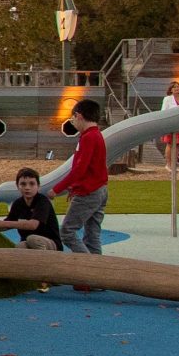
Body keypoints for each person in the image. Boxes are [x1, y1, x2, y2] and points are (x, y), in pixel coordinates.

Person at [60, 102, 109, 258]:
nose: (72, 121)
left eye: (73, 117)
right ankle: (96, 274)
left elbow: (80, 169)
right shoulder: (97, 135)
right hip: (100, 189)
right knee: (92, 235)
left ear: (79, 115)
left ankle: (88, 265)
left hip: (89, 191)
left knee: (67, 231)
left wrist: (57, 189)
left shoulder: (88, 138)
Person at [0, 166, 62, 250]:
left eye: (32, 184)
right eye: (23, 184)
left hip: (51, 242)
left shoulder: (42, 201)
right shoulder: (18, 203)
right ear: (17, 186)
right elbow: (9, 223)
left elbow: (33, 225)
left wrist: (4, 223)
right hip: (27, 241)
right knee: (20, 246)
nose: (27, 187)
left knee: (33, 239)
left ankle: (46, 260)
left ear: (38, 186)